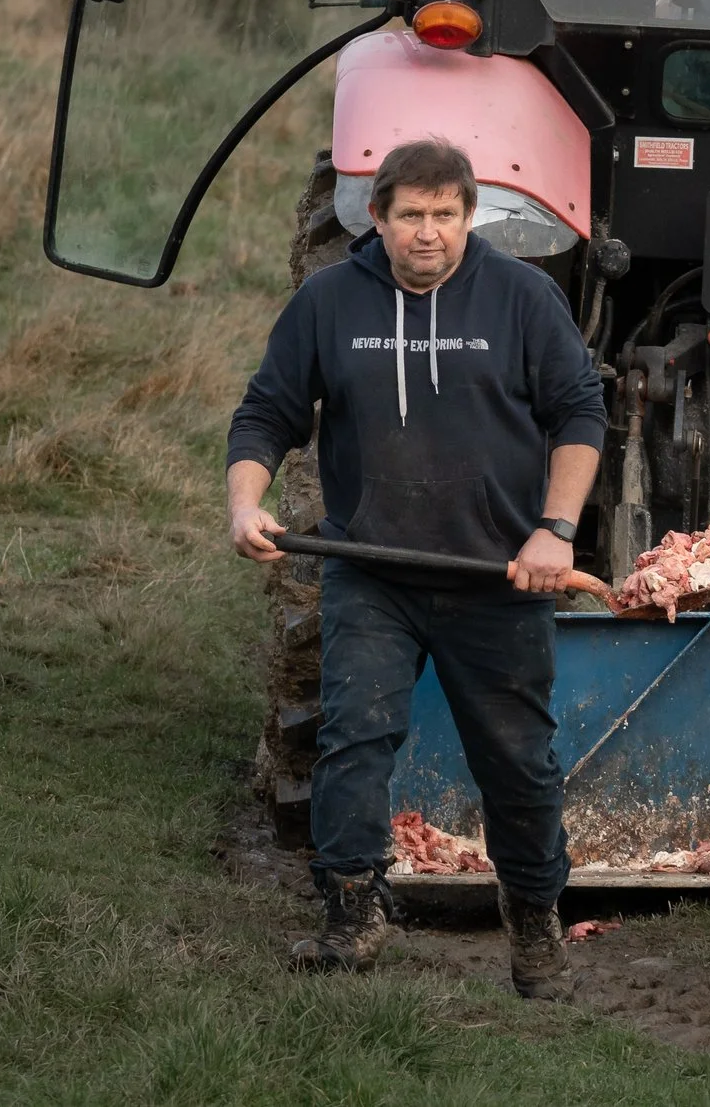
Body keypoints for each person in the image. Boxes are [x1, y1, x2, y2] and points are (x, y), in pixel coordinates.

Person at [224, 138, 605, 999]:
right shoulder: (329, 301)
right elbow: (266, 413)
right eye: (409, 215)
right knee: (353, 740)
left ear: (471, 217)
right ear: (378, 218)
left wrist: (555, 528)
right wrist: (246, 503)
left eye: (444, 214)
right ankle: (351, 916)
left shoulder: (524, 298)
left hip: (498, 577)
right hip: (371, 569)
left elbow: (580, 411)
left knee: (519, 764)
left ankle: (536, 922)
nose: (427, 233)